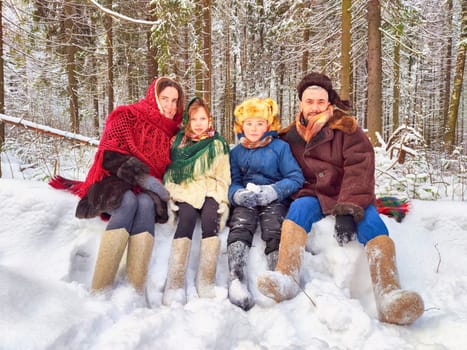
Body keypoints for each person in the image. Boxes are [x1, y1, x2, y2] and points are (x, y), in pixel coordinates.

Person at [256, 72, 424, 325]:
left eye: (320, 102)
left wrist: (348, 208)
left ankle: (388, 293)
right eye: (309, 101)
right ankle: (287, 277)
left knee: (372, 224)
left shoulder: (347, 128)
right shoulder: (289, 135)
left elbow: (360, 167)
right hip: (313, 194)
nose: (314, 107)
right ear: (301, 103)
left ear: (329, 103)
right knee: (299, 210)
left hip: (349, 193)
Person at [50, 77, 184, 293]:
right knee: (128, 201)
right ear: (154, 97)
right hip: (114, 180)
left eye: (175, 101)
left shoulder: (174, 134)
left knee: (146, 204)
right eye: (165, 99)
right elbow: (108, 156)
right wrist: (144, 179)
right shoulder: (127, 116)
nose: (170, 106)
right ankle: (100, 286)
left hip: (149, 191)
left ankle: (135, 286)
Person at [226, 97, 304, 311]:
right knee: (241, 224)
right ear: (241, 125)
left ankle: (278, 275)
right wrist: (237, 195)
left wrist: (273, 191)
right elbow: (232, 182)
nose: (254, 128)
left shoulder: (280, 148)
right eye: (249, 123)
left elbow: (295, 177)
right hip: (247, 198)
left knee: (274, 227)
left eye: (260, 123)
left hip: (272, 197)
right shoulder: (236, 152)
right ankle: (236, 279)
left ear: (269, 125)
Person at [161, 97, 231, 306]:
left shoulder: (218, 144)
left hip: (210, 190)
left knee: (211, 219)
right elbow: (170, 175)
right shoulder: (178, 143)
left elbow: (223, 177)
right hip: (186, 190)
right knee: (187, 218)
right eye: (194, 119)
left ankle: (206, 281)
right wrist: (171, 195)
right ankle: (174, 283)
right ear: (187, 121)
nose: (199, 123)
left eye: (203, 118)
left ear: (209, 119)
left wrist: (223, 201)